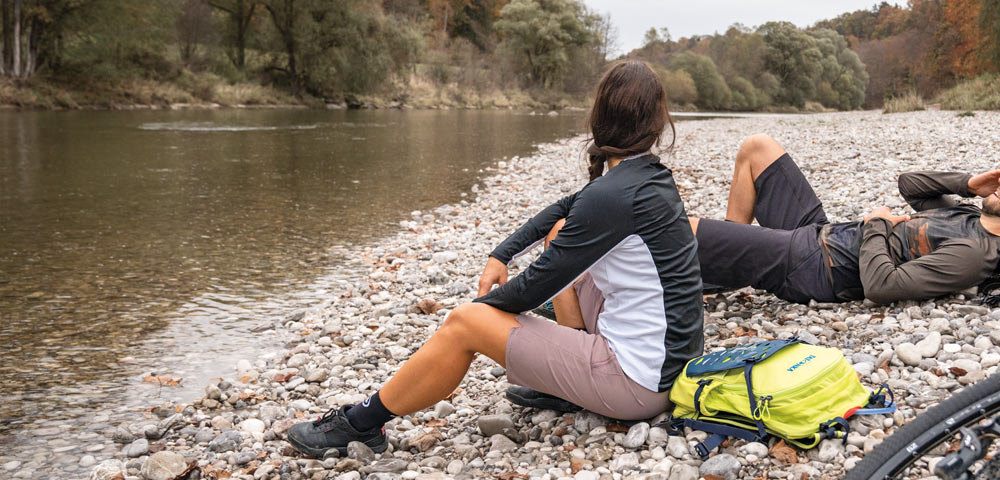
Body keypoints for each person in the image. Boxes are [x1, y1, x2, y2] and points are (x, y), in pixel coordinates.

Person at [286, 61, 704, 456]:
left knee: (466, 324)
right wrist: (500, 254)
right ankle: (562, 386)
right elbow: (565, 208)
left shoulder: (614, 195)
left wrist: (468, 318)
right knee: (560, 234)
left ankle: (360, 424)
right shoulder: (646, 176)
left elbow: (534, 288)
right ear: (654, 122)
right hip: (668, 362)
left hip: (637, 385)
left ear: (600, 115)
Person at [692, 134, 1000, 305]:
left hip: (815, 266)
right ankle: (731, 267)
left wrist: (877, 222)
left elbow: (882, 285)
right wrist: (969, 183)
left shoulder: (975, 253)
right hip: (823, 234)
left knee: (685, 229)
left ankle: (727, 257)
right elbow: (911, 185)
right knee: (758, 147)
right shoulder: (969, 215)